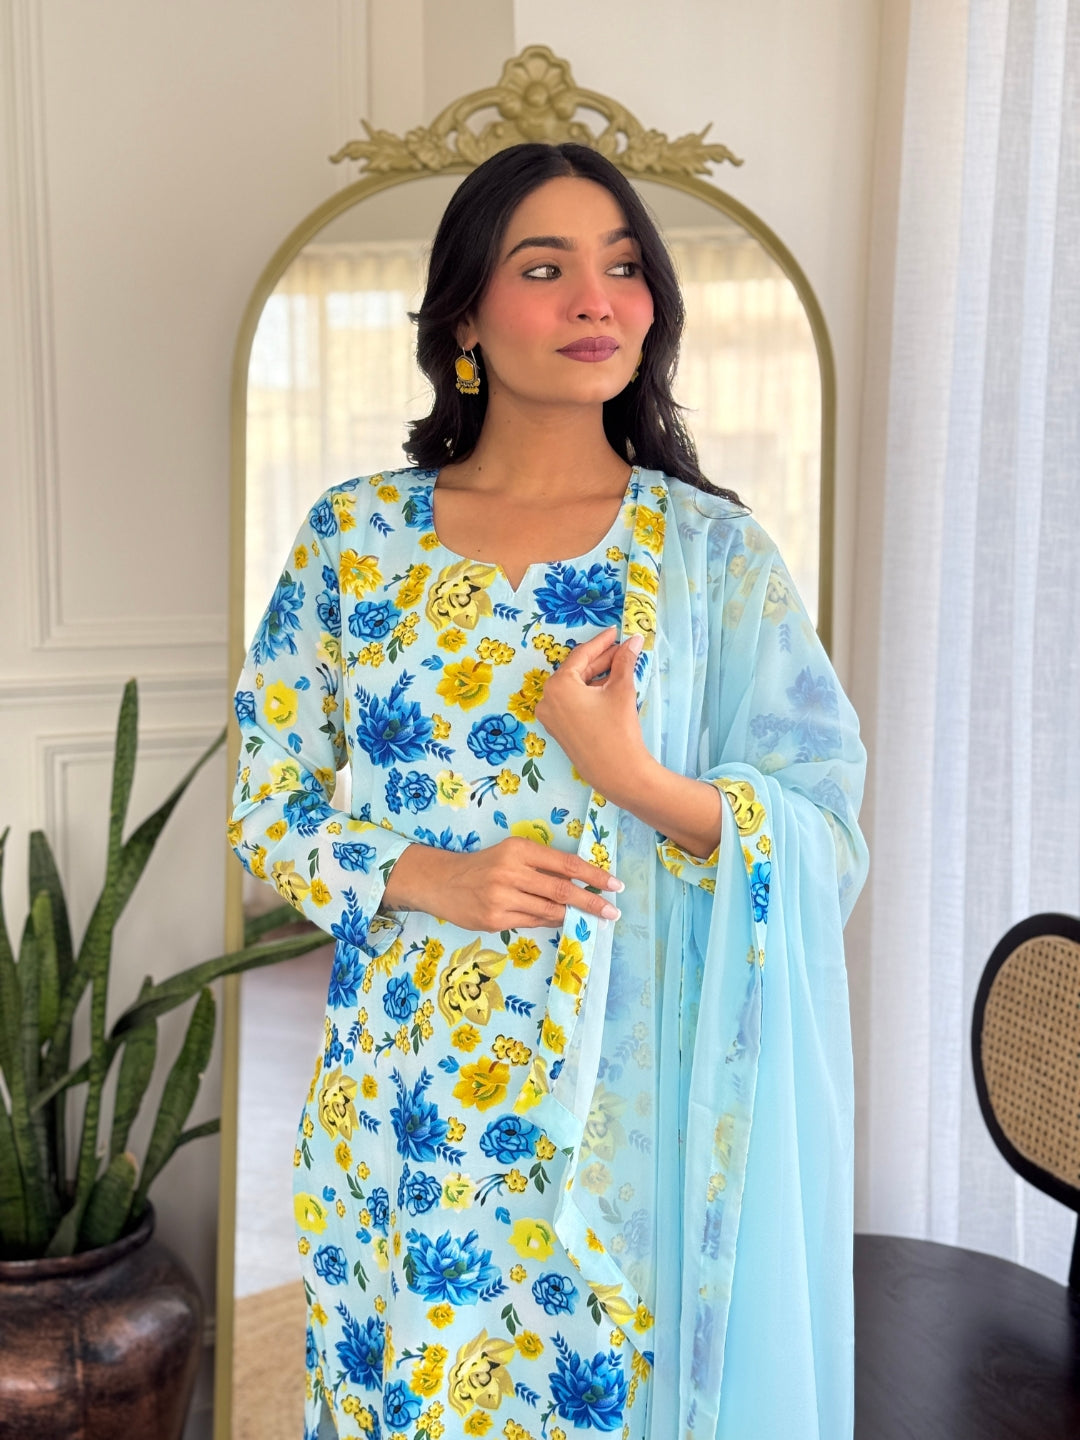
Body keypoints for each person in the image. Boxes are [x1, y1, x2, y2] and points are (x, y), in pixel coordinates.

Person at [227, 141, 869, 1440]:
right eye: (544, 268)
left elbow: (824, 830)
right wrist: (427, 875)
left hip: (627, 1105)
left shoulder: (711, 553)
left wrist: (628, 776)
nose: (597, 301)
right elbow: (266, 802)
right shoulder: (357, 537)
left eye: (625, 268)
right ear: (464, 315)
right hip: (411, 1092)